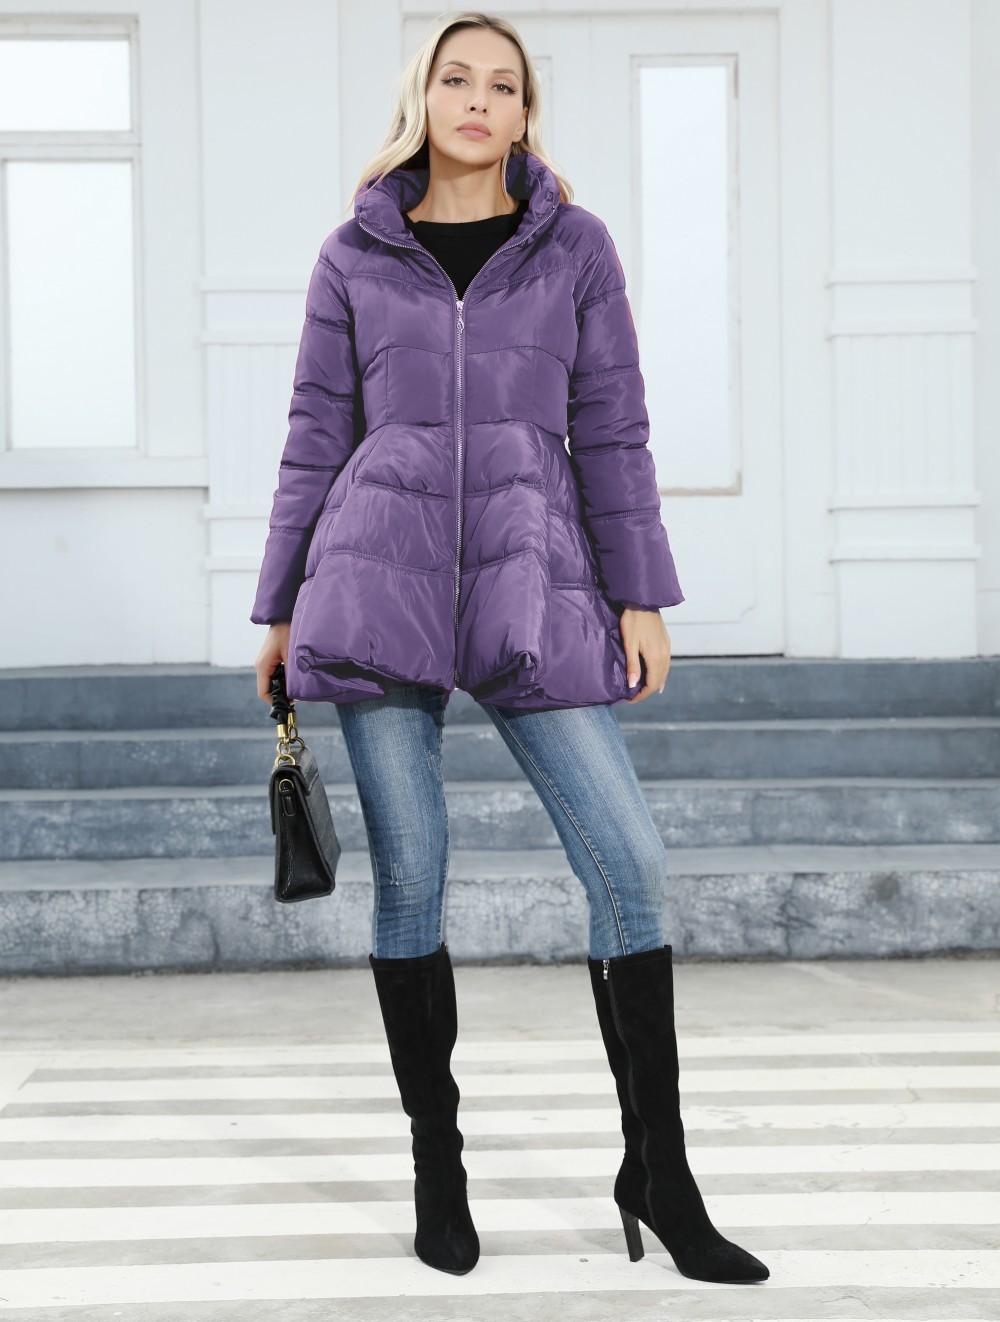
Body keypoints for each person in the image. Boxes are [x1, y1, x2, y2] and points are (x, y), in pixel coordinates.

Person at [252, 8, 768, 1289]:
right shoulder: (354, 254)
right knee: (413, 879)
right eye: (455, 78)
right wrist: (279, 608)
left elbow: (614, 426)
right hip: (375, 583)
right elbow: (316, 432)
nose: (478, 99)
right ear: (421, 98)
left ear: (526, 113)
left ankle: (660, 1173)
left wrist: (640, 594)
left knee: (630, 864)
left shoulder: (572, 248)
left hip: (532, 581)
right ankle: (439, 1166)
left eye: (502, 84)